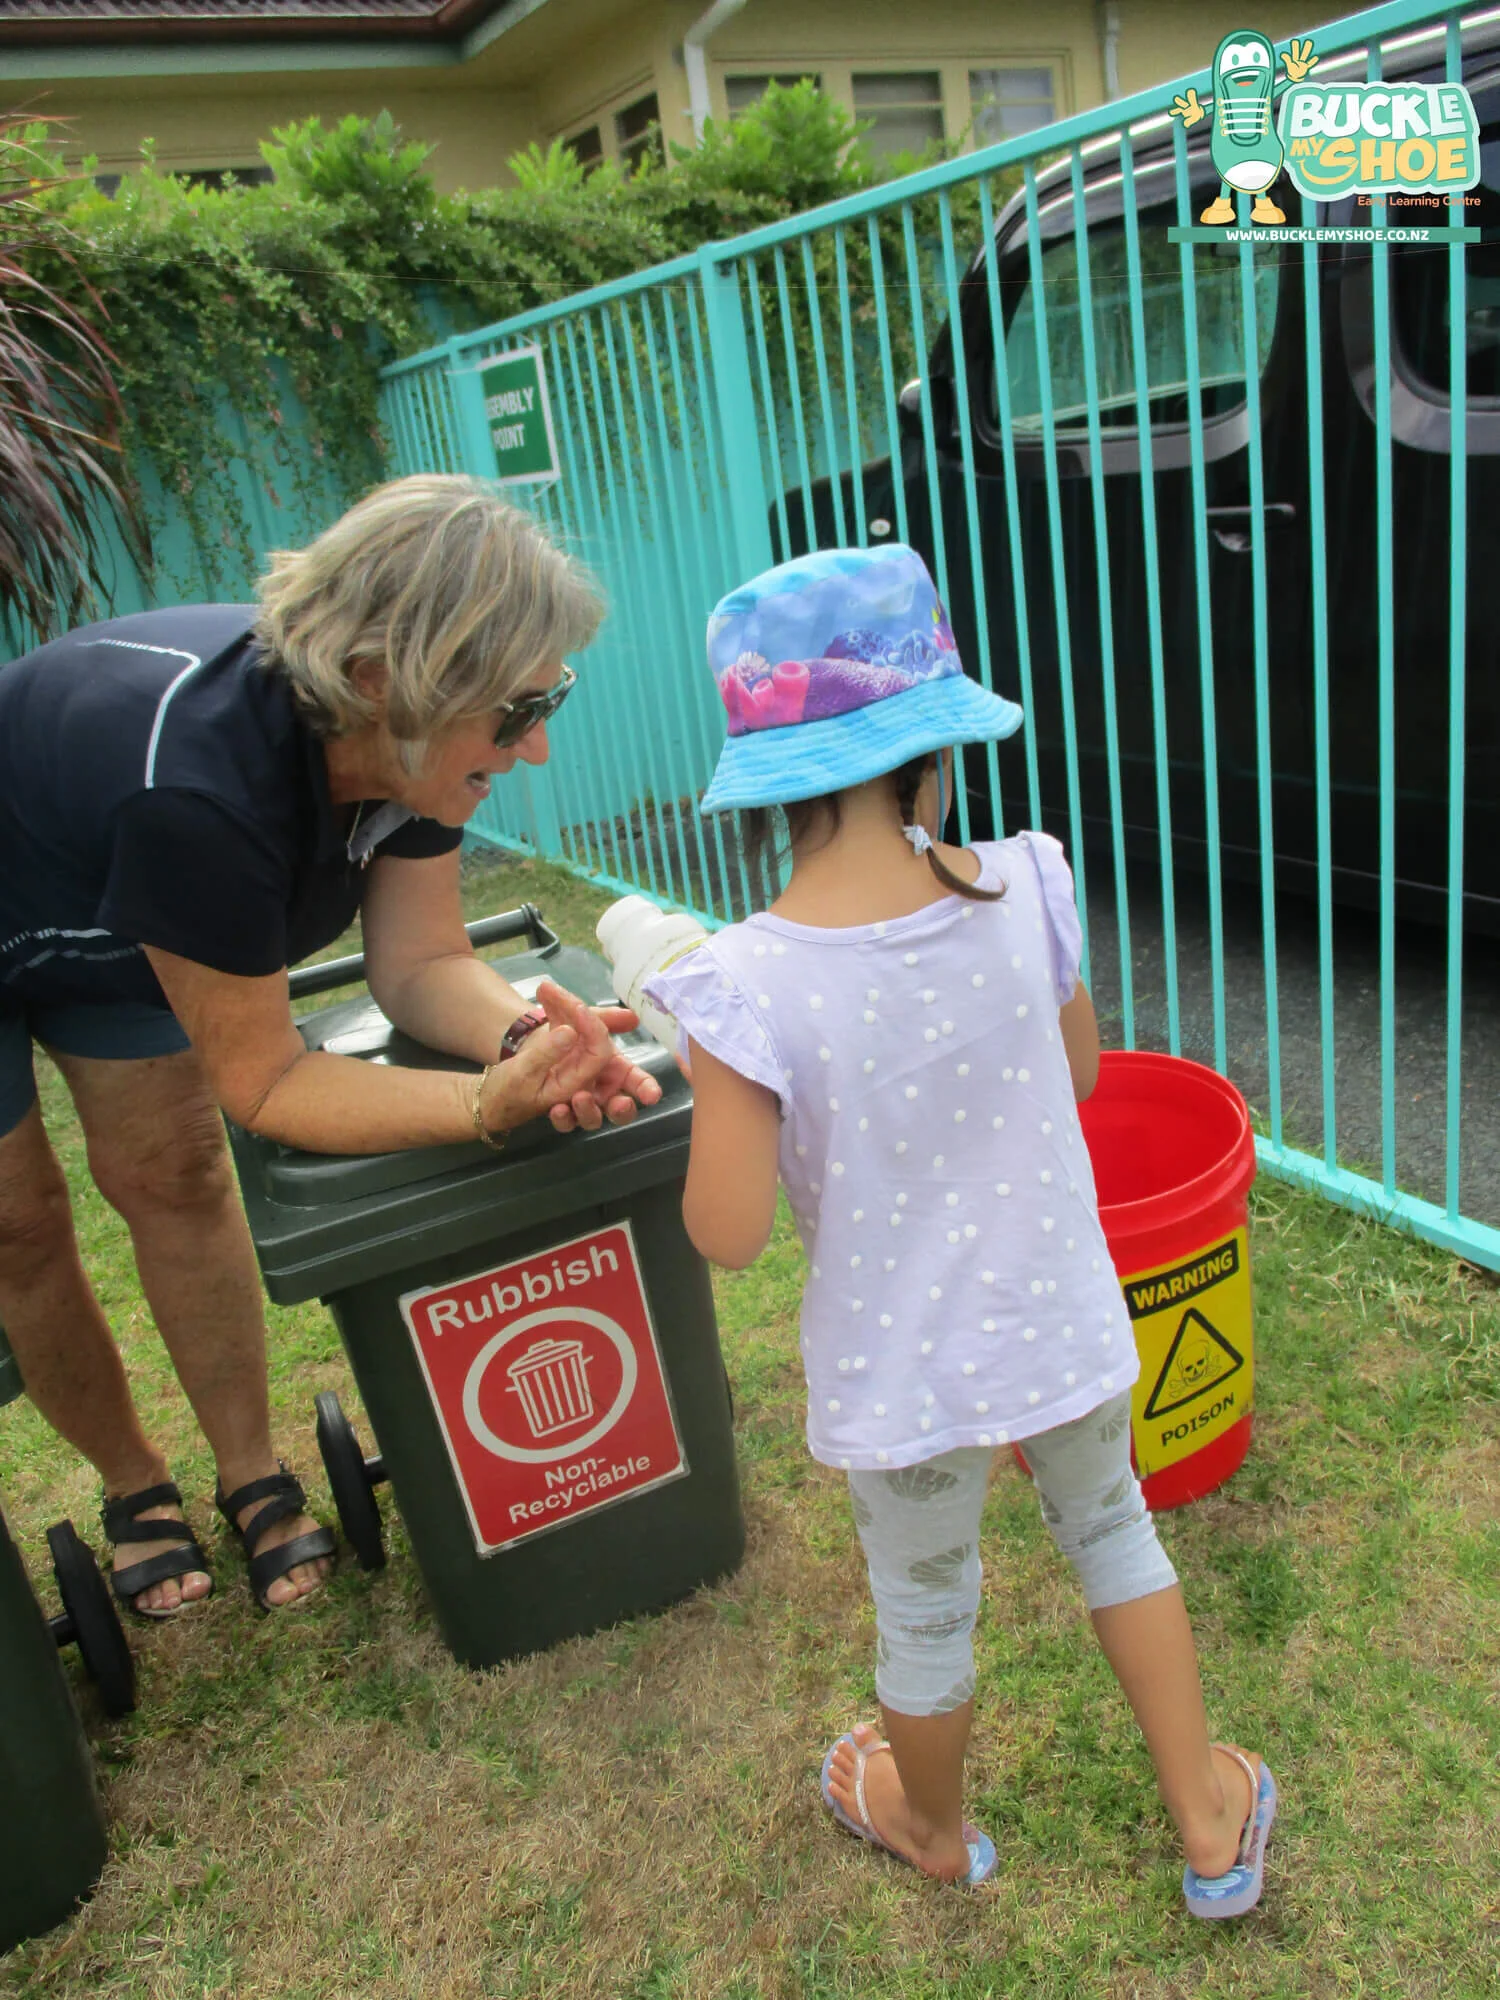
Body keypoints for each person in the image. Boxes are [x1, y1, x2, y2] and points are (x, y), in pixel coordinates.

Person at [644, 545, 1275, 1916]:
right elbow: (1083, 1076)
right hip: (1057, 1316)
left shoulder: (736, 985)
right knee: (1114, 1529)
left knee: (927, 1606)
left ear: (767, 794)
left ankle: (930, 1826)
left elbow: (729, 1232)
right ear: (930, 754)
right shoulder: (1026, 882)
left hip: (903, 1370)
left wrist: (708, 1073)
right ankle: (1209, 1818)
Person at [0, 474, 659, 1618]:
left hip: (117, 915)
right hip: (55, 869)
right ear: (378, 682)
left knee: (170, 1173)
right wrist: (477, 1108)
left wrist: (522, 1035)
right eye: (513, 712)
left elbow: (416, 966)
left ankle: (251, 1467)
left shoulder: (418, 745)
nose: (539, 745)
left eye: (547, 696)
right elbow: (269, 1081)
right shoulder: (202, 791)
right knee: (14, 1222)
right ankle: (133, 1485)